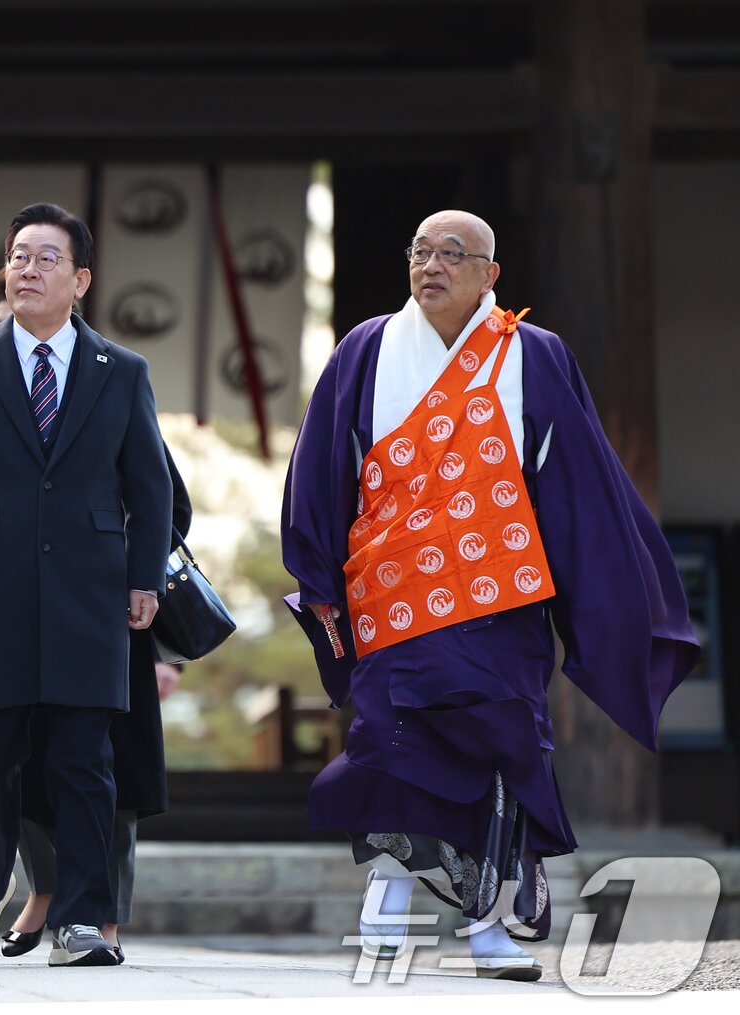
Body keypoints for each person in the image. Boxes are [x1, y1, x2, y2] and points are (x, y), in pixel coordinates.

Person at [281, 210, 698, 980]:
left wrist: (607, 592)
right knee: (392, 742)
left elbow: (579, 483)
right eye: (420, 251)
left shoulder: (533, 355)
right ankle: (388, 907)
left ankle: (491, 930)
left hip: (498, 597)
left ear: (489, 274)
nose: (430, 265)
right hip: (393, 591)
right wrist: (317, 579)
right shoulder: (365, 350)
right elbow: (318, 470)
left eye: (452, 253)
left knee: (506, 756)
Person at [0, 202, 172, 969]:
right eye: (19, 256)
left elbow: (149, 489)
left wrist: (146, 577)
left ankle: (82, 920)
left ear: (80, 279)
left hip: (91, 595)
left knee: (85, 762)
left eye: (47, 258)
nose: (27, 268)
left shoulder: (122, 371)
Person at [5, 448, 191, 965]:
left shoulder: (116, 385)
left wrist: (121, 563)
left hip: (114, 613)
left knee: (116, 771)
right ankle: (45, 891)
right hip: (26, 608)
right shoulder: (8, 389)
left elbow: (170, 509)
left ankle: (103, 916)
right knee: (23, 755)